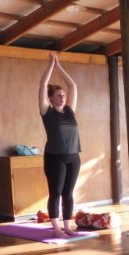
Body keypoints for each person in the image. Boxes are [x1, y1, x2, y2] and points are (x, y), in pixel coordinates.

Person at [38, 53, 81, 238]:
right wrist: (50, 66)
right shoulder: (47, 112)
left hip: (73, 157)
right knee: (55, 192)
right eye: (58, 95)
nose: (63, 97)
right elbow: (41, 86)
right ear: (51, 98)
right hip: (55, 157)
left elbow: (73, 86)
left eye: (63, 95)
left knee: (68, 193)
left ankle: (67, 226)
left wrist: (59, 66)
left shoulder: (70, 111)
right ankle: (56, 228)